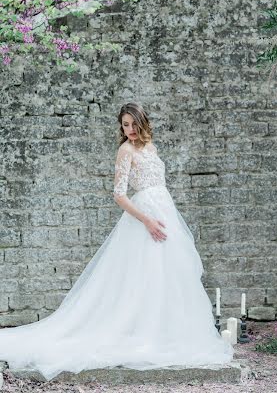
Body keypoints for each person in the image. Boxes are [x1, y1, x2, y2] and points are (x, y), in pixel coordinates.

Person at [0, 102, 233, 380]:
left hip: (165, 213)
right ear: (121, 126)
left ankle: (164, 332)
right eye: (125, 125)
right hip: (143, 219)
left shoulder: (152, 148)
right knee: (141, 276)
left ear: (143, 122)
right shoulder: (125, 150)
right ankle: (136, 332)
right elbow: (119, 195)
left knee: (168, 276)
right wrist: (146, 220)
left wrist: (160, 216)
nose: (130, 130)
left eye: (134, 124)